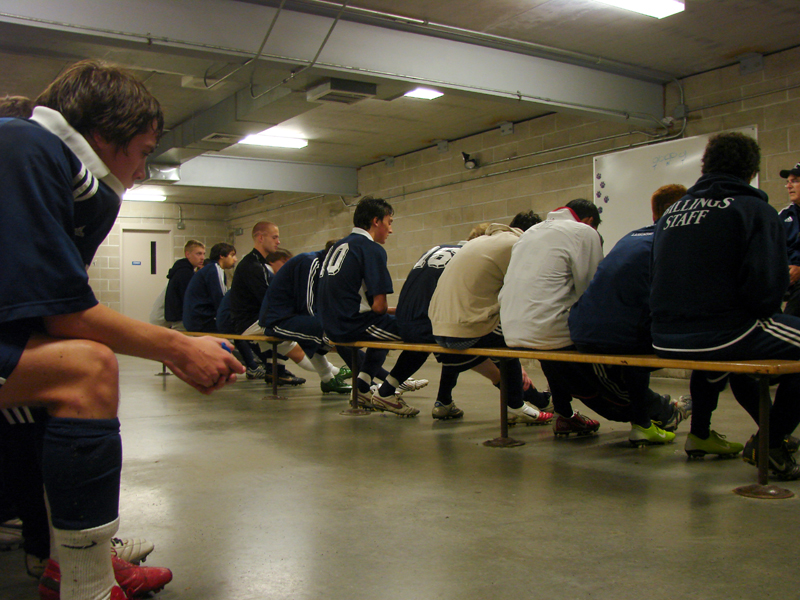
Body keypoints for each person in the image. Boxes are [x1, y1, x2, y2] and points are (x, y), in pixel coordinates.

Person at [0, 60, 244, 600]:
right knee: (87, 369)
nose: (142, 169)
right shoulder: (26, 145)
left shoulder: (39, 155)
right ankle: (86, 586)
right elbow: (64, 312)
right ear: (106, 136)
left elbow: (46, 314)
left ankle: (77, 561)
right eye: (144, 150)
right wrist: (178, 347)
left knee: (63, 365)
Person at [650, 132, 800, 480]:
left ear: (706, 166)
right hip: (720, 333)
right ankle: (770, 442)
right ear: (751, 171)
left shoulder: (672, 213)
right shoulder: (756, 210)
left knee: (733, 358)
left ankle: (752, 436)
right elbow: (767, 292)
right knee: (748, 339)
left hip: (664, 336)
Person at [500, 199, 663, 438]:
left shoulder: (531, 233)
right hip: (549, 330)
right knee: (623, 347)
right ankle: (655, 413)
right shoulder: (584, 232)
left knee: (552, 356)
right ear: (589, 221)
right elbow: (591, 289)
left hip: (511, 329)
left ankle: (564, 415)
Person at [566, 187, 697, 447]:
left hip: (582, 327)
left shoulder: (633, 236)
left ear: (654, 213)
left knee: (640, 331)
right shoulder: (675, 241)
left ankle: (651, 418)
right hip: (611, 335)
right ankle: (679, 422)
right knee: (708, 344)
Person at [396, 226, 552, 420]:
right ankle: (520, 405)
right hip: (454, 332)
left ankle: (444, 401)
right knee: (509, 344)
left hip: (438, 330)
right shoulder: (513, 247)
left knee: (468, 349)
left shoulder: (470, 250)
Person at [317, 197, 430, 416]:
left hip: (329, 324)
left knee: (385, 329)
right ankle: (386, 392)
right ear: (376, 221)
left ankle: (361, 388)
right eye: (389, 222)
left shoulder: (338, 246)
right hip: (352, 324)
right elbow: (378, 307)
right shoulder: (371, 249)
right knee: (425, 335)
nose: (391, 230)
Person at [259, 248, 352, 394]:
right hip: (274, 320)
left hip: (288, 316)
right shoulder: (310, 262)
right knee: (325, 330)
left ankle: (329, 378)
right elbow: (307, 307)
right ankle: (363, 378)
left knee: (319, 330)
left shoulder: (319, 266)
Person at [229, 223, 306, 386]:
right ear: (260, 238)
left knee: (292, 334)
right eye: (274, 237)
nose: (278, 241)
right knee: (299, 333)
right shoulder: (253, 266)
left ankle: (276, 372)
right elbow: (268, 300)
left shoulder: (261, 264)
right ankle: (330, 375)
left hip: (256, 319)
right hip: (249, 323)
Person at [182, 243, 237, 333]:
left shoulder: (211, 269)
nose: (235, 259)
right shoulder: (214, 269)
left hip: (197, 319)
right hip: (201, 321)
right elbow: (220, 300)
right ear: (222, 256)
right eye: (232, 255)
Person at [163, 240, 206, 329]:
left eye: (203, 254)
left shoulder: (184, 270)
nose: (202, 258)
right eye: (198, 254)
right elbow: (188, 298)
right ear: (188, 254)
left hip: (178, 318)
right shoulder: (185, 273)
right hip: (181, 319)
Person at [778, 161, 800, 316]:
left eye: (795, 181)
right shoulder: (783, 215)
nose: (788, 186)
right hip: (787, 278)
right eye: (788, 182)